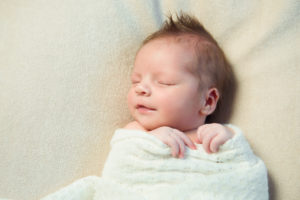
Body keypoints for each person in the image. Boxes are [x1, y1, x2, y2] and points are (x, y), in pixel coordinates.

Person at [124, 13, 235, 158]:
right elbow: (121, 160)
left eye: (164, 82)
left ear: (208, 101)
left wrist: (228, 138)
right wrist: (150, 140)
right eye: (135, 81)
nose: (140, 89)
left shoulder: (215, 135)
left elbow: (243, 164)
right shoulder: (135, 132)